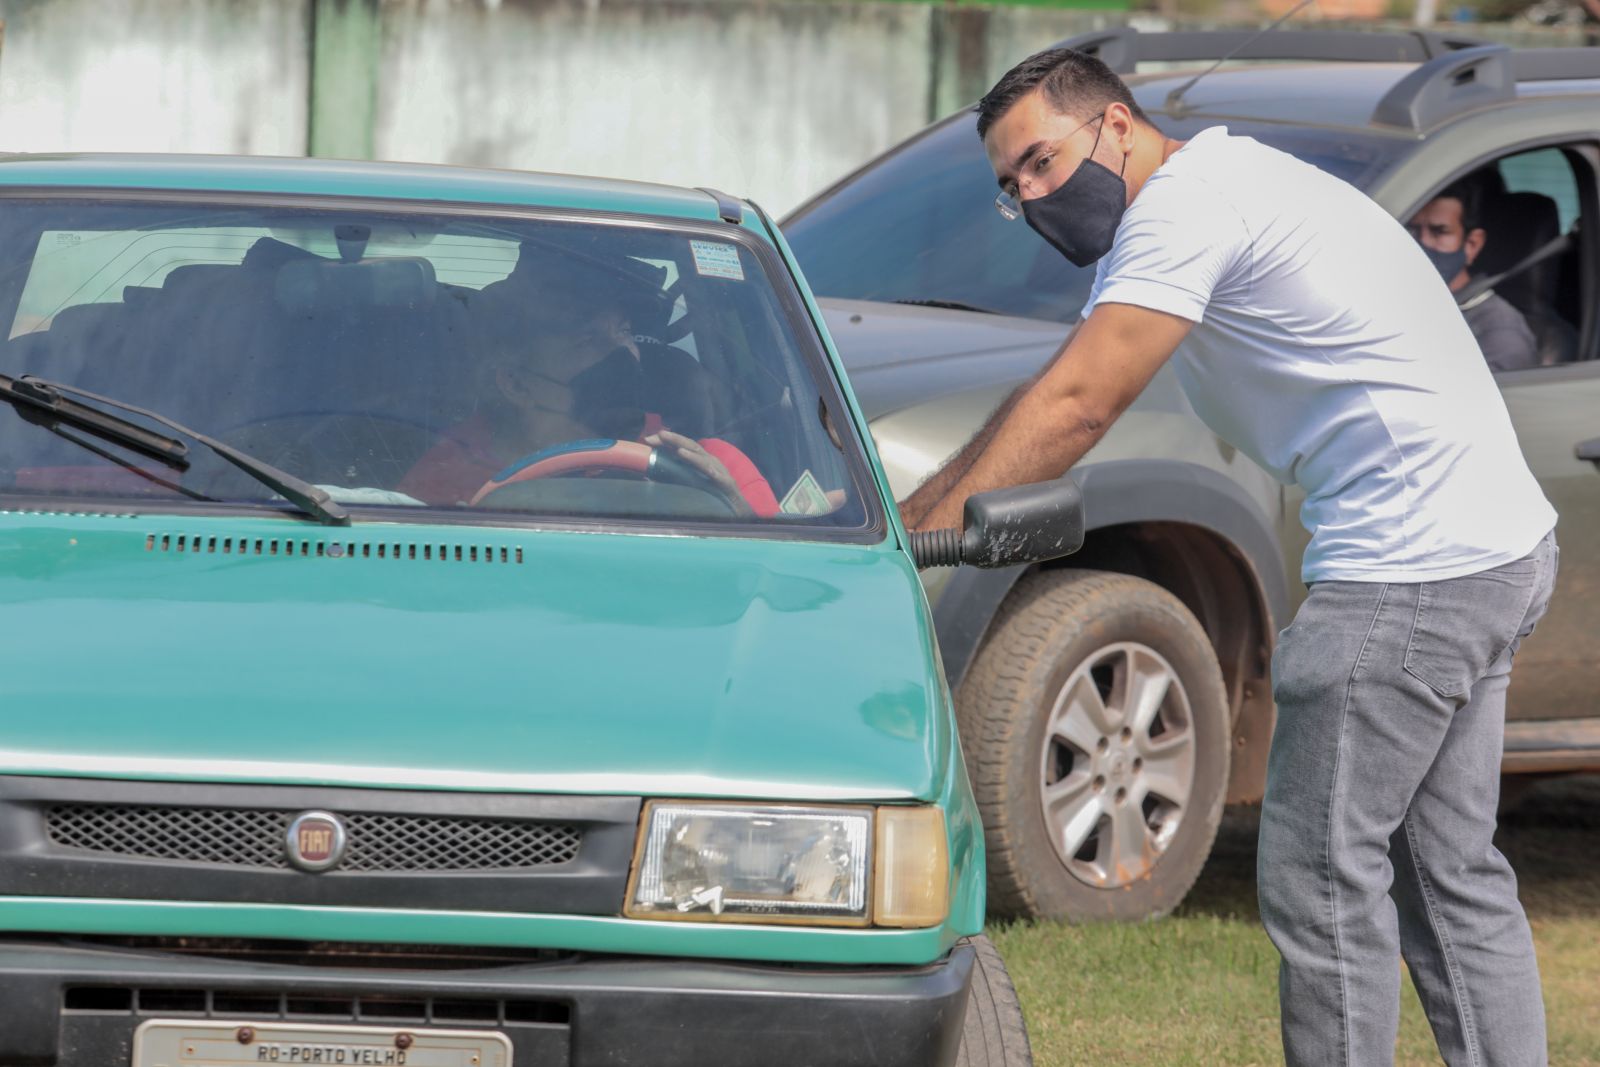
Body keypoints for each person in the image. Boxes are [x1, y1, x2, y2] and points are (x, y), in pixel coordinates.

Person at [900, 47, 1558, 1067]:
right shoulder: (1229, 184)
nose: (1029, 196)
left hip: (1407, 575)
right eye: (1008, 185)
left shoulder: (1185, 209)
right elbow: (1066, 382)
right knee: (1445, 873)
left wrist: (906, 535)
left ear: (1116, 125)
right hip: (1489, 552)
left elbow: (1078, 403)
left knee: (1320, 879)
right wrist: (931, 512)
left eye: (1038, 161)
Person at [400, 261, 778, 515]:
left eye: (624, 332)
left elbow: (771, 584)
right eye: (586, 340)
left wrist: (731, 509)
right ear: (515, 383)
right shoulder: (447, 477)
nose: (620, 353)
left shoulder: (712, 467)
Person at [1407, 178, 1539, 373]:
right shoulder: (1402, 305)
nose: (1420, 243)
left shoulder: (1499, 332)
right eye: (1412, 229)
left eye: (1439, 232)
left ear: (1472, 245)